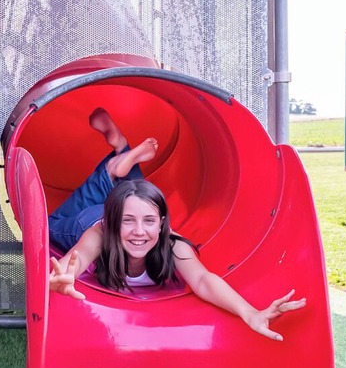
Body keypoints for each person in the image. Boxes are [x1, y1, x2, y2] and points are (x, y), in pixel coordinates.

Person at [46, 108, 306, 341]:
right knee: (51, 225)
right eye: (128, 222)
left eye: (149, 221)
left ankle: (119, 160)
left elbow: (203, 280)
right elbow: (73, 262)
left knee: (134, 197)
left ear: (162, 224)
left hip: (120, 207)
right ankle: (118, 160)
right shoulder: (99, 234)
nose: (139, 231)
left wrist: (250, 313)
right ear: (114, 222)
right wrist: (64, 278)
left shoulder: (173, 244)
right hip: (90, 219)